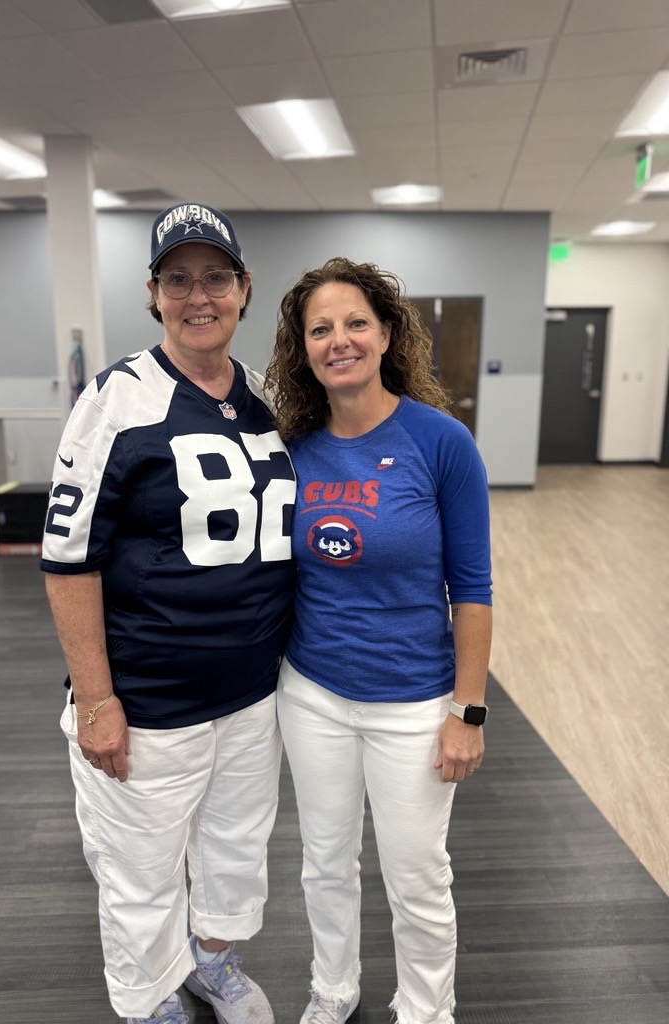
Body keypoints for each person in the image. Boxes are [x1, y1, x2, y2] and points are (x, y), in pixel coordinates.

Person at [41, 202, 296, 1024]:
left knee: (233, 855)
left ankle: (213, 964)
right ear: (153, 294)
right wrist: (98, 700)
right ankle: (152, 998)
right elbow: (68, 558)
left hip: (251, 696)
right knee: (139, 868)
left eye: (215, 277)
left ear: (243, 288)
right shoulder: (119, 399)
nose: (199, 295)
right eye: (178, 279)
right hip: (147, 702)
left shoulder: (265, 400)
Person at [264, 257, 492, 1024]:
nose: (339, 340)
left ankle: (427, 1011)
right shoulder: (290, 446)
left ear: (388, 333)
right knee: (325, 862)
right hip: (315, 693)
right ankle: (334, 991)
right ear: (302, 349)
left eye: (355, 322)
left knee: (417, 873)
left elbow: (475, 588)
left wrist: (469, 710)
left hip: (415, 704)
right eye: (319, 329)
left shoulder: (441, 442)